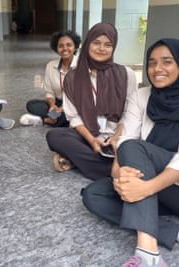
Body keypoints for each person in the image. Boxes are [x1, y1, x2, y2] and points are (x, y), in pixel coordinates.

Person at [82, 38, 179, 267]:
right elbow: (126, 136)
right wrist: (119, 174)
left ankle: (148, 255)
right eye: (152, 63)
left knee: (133, 149)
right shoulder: (142, 96)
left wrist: (145, 187)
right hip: (155, 181)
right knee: (93, 195)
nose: (157, 69)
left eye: (167, 62)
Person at [46, 22, 137, 180]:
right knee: (54, 136)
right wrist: (92, 140)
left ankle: (79, 161)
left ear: (113, 47)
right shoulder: (73, 77)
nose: (101, 48)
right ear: (88, 44)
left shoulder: (126, 74)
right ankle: (113, 168)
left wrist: (116, 137)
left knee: (138, 141)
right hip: (88, 134)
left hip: (119, 133)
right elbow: (74, 117)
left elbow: (131, 112)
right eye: (96, 42)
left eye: (108, 44)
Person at [19, 30, 81, 127]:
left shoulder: (82, 66)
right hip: (57, 102)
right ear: (56, 48)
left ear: (75, 46)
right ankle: (58, 119)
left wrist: (64, 108)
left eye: (69, 45)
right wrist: (52, 105)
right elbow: (49, 93)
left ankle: (44, 120)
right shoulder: (51, 66)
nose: (65, 48)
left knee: (78, 113)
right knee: (31, 105)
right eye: (61, 46)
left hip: (75, 104)